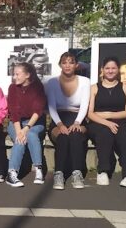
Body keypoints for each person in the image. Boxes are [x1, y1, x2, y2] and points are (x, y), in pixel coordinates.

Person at [87, 57, 126, 188]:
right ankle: (103, 171)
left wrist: (109, 115)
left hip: (120, 123)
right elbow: (90, 113)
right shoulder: (94, 88)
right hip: (98, 124)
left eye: (113, 68)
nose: (110, 71)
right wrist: (107, 122)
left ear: (118, 70)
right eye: (107, 68)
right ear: (102, 70)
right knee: (104, 134)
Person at [46, 51, 90, 190]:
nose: (67, 65)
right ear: (60, 65)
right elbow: (51, 106)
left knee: (76, 135)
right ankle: (59, 174)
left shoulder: (85, 81)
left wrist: (77, 122)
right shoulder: (52, 82)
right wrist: (59, 124)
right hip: (58, 118)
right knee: (63, 137)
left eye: (71, 62)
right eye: (64, 62)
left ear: (76, 65)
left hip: (78, 117)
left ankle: (77, 173)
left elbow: (84, 105)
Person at [5, 62, 47, 187]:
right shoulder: (13, 88)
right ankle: (12, 174)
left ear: (27, 75)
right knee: (20, 139)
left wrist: (26, 129)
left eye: (18, 74)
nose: (15, 77)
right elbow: (14, 112)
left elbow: (38, 110)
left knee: (32, 135)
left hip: (34, 122)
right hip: (17, 122)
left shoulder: (38, 87)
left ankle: (38, 169)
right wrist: (20, 131)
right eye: (14, 74)